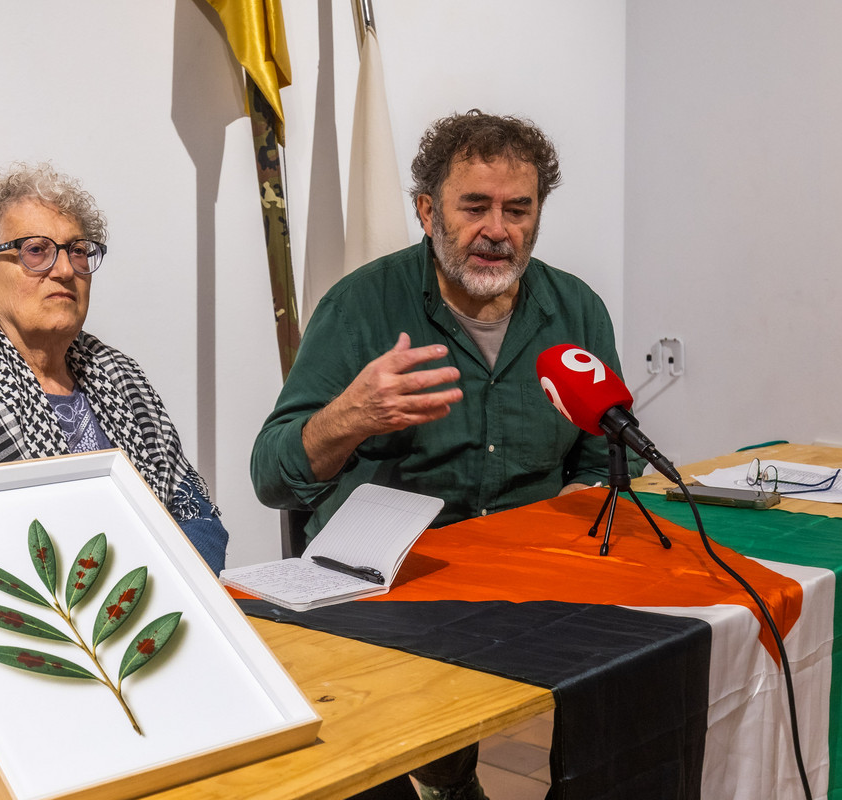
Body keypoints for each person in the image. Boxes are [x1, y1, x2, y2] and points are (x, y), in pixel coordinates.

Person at [251, 111, 639, 800]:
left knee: (651, 669)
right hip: (400, 585)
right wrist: (350, 416)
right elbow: (271, 474)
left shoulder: (577, 309)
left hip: (539, 575)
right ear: (428, 211)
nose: (497, 229)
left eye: (518, 209)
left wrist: (580, 509)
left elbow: (608, 456)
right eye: (474, 207)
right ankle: (447, 783)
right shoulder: (361, 306)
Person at [0, 163, 228, 662]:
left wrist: (136, 611)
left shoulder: (120, 375)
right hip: (18, 655)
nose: (65, 269)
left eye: (79, 251)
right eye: (36, 251)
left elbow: (199, 520)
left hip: (148, 640)